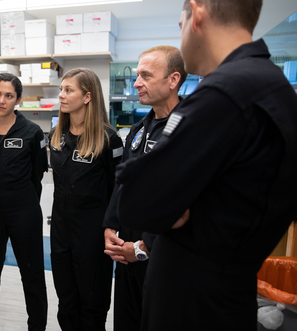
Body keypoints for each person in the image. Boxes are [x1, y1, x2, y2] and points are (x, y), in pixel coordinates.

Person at [115, 0, 297, 330]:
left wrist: (171, 201)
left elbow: (139, 204)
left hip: (192, 305)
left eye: (179, 24)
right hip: (223, 293)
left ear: (196, 13)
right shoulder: (272, 87)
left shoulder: (225, 94)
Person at [103, 45, 187, 331]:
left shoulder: (189, 129)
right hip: (126, 253)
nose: (136, 83)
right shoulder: (139, 130)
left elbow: (183, 202)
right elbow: (122, 183)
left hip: (163, 255)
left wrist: (142, 248)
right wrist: (110, 227)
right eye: (137, 75)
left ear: (173, 80)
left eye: (146, 76)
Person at [0, 73, 48, 331]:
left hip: (24, 209)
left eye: (9, 95)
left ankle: (36, 326)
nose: (1, 100)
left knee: (32, 274)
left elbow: (37, 174)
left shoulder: (32, 132)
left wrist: (25, 203)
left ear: (18, 100)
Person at [49, 67, 123, 331]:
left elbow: (118, 191)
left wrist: (111, 228)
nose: (61, 95)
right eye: (61, 89)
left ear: (88, 97)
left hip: (92, 236)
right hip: (60, 233)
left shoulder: (108, 139)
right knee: (66, 304)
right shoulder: (57, 136)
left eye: (69, 90)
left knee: (92, 306)